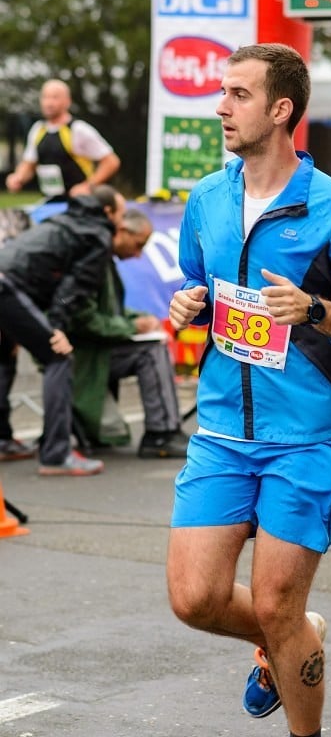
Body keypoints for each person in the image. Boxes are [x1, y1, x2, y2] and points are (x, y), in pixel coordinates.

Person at [165, 43, 331, 737]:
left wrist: (316, 310)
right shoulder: (205, 198)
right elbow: (198, 282)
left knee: (273, 601)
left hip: (306, 438)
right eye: (220, 92)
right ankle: (294, 632)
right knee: (194, 599)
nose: (219, 106)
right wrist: (187, 304)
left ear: (279, 110)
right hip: (223, 431)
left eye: (236, 94)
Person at [0, 185, 126, 474]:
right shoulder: (98, 234)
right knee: (58, 357)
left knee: (4, 353)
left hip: (7, 279)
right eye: (120, 212)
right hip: (9, 288)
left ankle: (3, 440)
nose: (121, 219)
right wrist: (56, 328)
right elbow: (74, 289)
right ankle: (56, 455)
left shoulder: (64, 220)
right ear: (108, 212)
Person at [69, 208, 189, 459]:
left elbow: (107, 310)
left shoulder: (101, 257)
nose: (138, 254)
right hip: (82, 352)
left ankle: (166, 429)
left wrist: (137, 319)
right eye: (138, 245)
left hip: (89, 346)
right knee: (151, 351)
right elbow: (84, 318)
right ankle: (161, 433)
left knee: (154, 342)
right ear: (121, 231)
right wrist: (131, 327)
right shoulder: (92, 259)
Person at [5, 79, 121, 203]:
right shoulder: (38, 129)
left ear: (68, 101)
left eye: (55, 97)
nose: (49, 103)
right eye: (45, 97)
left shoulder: (78, 129)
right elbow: (29, 164)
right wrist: (18, 177)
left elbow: (111, 162)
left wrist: (88, 186)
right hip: (50, 202)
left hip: (79, 204)